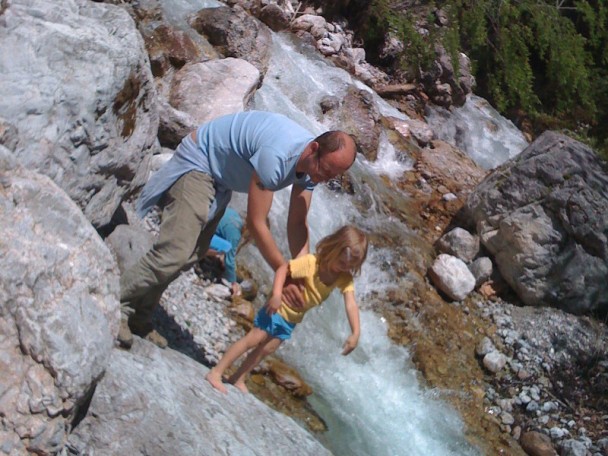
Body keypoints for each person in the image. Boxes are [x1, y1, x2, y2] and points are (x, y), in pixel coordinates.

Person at [118, 111, 358, 349]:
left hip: (222, 178)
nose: (324, 179)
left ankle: (140, 316)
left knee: (191, 255)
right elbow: (256, 222)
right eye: (326, 170)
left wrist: (302, 272)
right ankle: (117, 305)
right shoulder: (278, 156)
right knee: (175, 252)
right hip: (201, 161)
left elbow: (297, 223)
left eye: (333, 176)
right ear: (314, 148)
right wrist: (283, 271)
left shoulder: (311, 168)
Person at [206, 225, 368, 394]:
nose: (344, 268)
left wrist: (355, 332)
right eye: (342, 262)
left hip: (292, 318)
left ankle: (238, 377)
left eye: (350, 265)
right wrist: (276, 294)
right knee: (253, 339)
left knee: (267, 349)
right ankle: (216, 372)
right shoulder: (312, 263)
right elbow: (283, 269)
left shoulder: (343, 278)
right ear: (334, 248)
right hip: (278, 306)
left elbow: (351, 303)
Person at [206, 207, 244, 296]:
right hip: (201, 234)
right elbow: (229, 261)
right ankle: (197, 252)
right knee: (226, 247)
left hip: (204, 224)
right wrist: (233, 282)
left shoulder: (235, 217)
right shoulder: (236, 234)